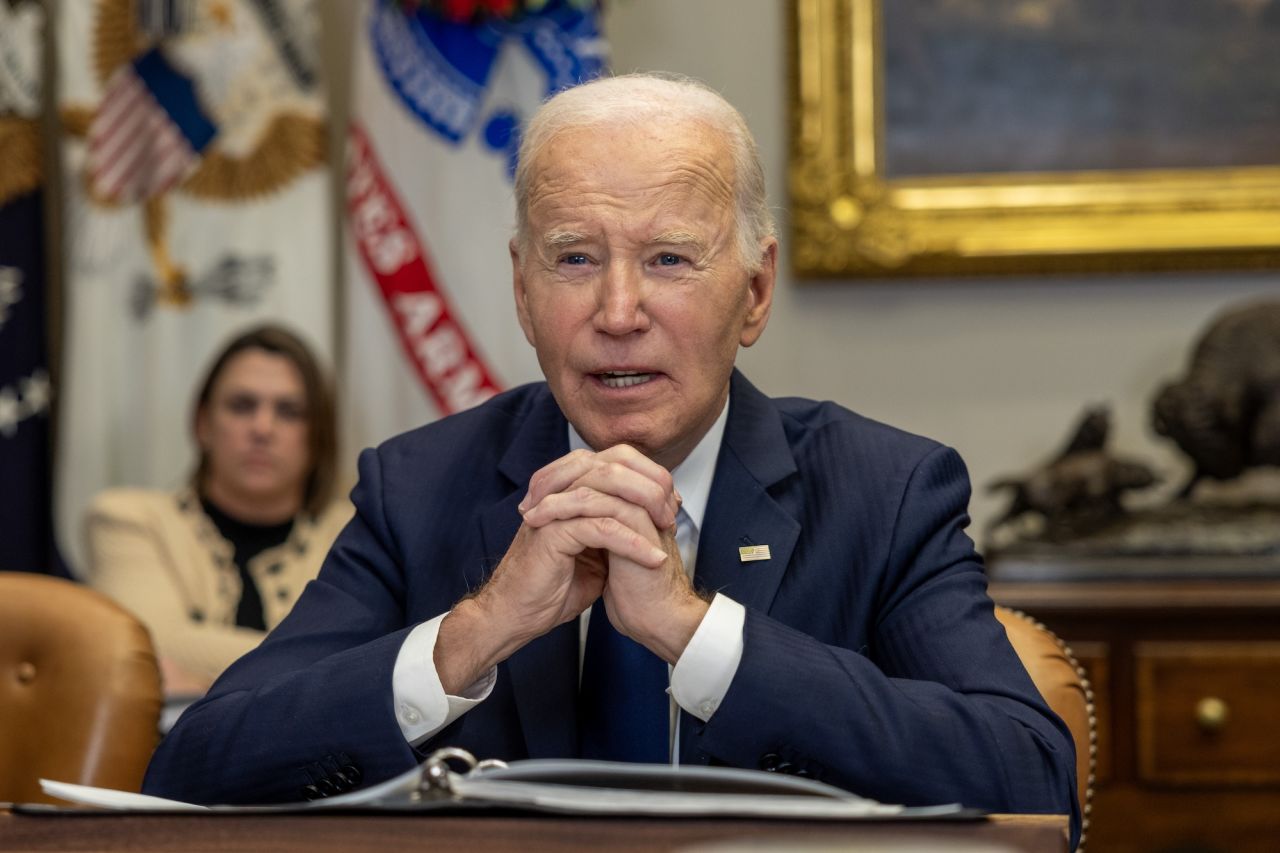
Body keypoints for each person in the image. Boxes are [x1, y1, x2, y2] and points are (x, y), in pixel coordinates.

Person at [144, 74, 1079, 844]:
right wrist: (476, 631)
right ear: (521, 288)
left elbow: (1033, 780)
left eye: (669, 259)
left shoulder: (884, 490)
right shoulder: (421, 485)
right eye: (575, 259)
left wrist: (697, 633)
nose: (618, 310)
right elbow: (191, 773)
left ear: (754, 293)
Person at [84, 324, 351, 698]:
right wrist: (326, 668)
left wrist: (201, 679)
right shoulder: (128, 520)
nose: (262, 428)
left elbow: (382, 661)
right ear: (203, 423)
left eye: (289, 411)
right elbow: (149, 642)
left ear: (318, 434)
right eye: (242, 406)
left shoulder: (358, 535)